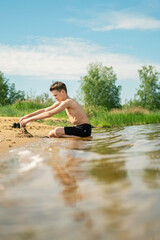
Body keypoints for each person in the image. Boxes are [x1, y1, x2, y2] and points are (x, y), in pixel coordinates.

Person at [20, 82, 92, 138]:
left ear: (63, 92)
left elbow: (50, 113)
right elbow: (46, 110)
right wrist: (27, 116)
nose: (54, 98)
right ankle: (79, 137)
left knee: (57, 131)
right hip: (76, 128)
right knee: (51, 133)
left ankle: (82, 138)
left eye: (55, 95)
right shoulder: (61, 102)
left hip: (84, 129)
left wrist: (29, 120)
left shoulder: (69, 102)